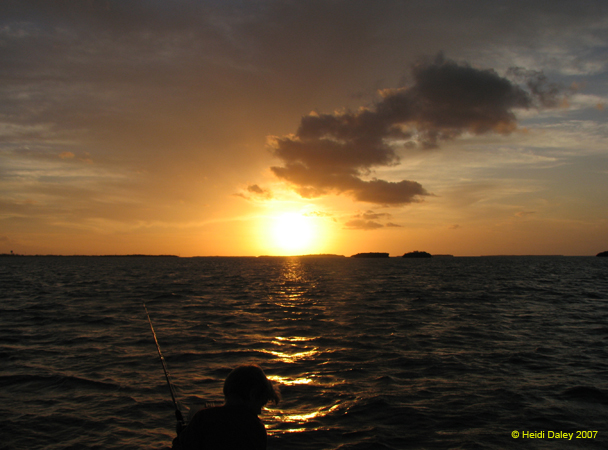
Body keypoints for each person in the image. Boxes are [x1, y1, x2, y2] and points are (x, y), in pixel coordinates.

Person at [172, 365, 281, 450]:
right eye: (260, 405)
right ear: (252, 395)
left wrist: (180, 437)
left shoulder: (203, 418)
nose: (259, 412)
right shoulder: (256, 428)